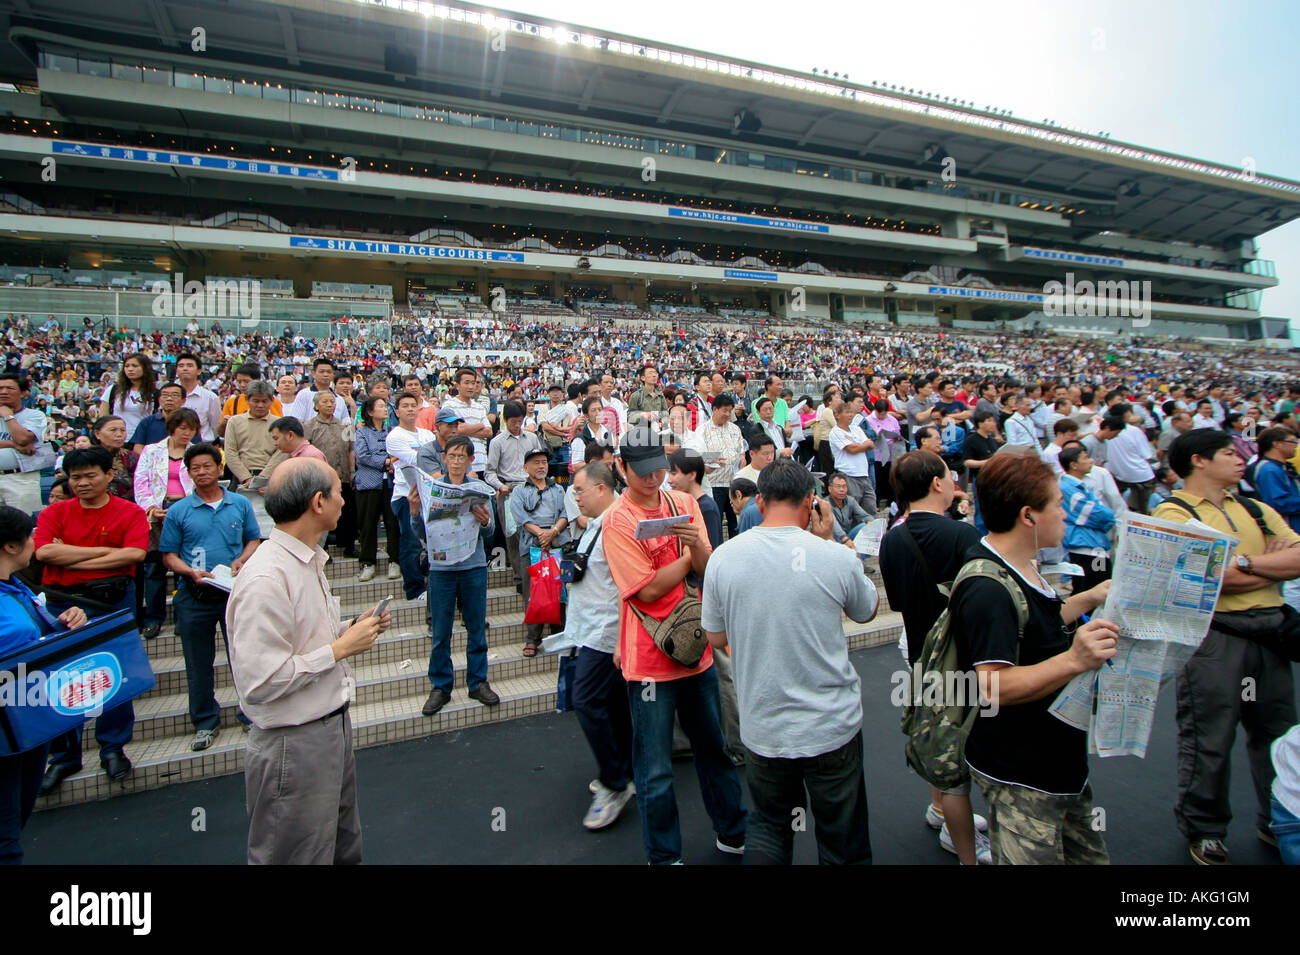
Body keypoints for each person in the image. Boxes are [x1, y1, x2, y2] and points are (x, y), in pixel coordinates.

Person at [703, 460, 878, 864]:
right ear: (812, 503)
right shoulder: (833, 556)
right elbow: (866, 609)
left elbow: (716, 637)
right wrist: (831, 539)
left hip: (764, 725)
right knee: (843, 839)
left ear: (759, 502)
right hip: (831, 724)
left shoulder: (724, 558)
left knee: (769, 828)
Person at [949, 451, 1119, 864]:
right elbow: (991, 685)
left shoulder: (1021, 567)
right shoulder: (987, 587)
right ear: (1029, 515)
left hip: (1057, 767)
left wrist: (1088, 598)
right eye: (1058, 505)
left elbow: (1032, 627)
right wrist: (1074, 660)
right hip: (1022, 775)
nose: (1065, 514)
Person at [226, 457, 391, 864]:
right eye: (339, 490)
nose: (345, 498)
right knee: (297, 853)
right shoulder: (266, 577)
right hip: (293, 744)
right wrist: (339, 649)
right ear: (319, 502)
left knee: (338, 846)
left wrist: (349, 630)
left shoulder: (306, 559)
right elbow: (260, 682)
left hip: (329, 729)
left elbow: (302, 642)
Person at [1153, 428, 1300, 865]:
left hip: (1269, 634)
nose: (1240, 459)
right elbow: (1203, 577)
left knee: (1276, 733)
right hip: (1216, 636)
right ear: (1198, 460)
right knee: (1208, 735)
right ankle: (1205, 827)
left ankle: (1280, 817)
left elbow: (1295, 556)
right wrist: (1272, 568)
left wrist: (1245, 564)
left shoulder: (1253, 508)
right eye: (1227, 453)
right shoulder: (1173, 512)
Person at [603, 424, 747, 865]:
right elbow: (645, 590)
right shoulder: (618, 519)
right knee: (656, 769)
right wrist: (688, 555)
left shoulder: (684, 502)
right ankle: (664, 856)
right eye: (642, 471)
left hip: (695, 650)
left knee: (715, 750)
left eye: (659, 470)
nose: (652, 479)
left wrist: (695, 553)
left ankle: (733, 831)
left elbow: (709, 569)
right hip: (648, 660)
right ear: (621, 467)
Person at [878, 450, 989, 865]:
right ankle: (957, 832)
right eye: (949, 473)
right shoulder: (963, 537)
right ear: (937, 484)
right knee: (963, 744)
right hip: (961, 655)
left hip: (920, 649)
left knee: (936, 731)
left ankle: (940, 807)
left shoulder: (892, 537)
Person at [34, 447, 149, 793]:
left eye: (89, 475)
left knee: (116, 673)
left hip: (113, 600)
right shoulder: (55, 512)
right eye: (75, 477)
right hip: (62, 604)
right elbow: (44, 553)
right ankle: (64, 758)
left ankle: (113, 748)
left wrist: (69, 557)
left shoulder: (129, 512)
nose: (81, 483)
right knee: (60, 679)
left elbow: (135, 554)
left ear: (108, 475)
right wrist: (107, 553)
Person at [0, 505, 90, 864]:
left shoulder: (16, 587)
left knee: (15, 821)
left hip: (30, 725)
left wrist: (64, 623)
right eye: (30, 535)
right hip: (6, 732)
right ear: (11, 545)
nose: (35, 541)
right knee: (5, 843)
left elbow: (35, 634)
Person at [160, 442, 261, 751]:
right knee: (197, 661)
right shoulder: (178, 511)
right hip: (194, 596)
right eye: (195, 468)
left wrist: (243, 559)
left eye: (208, 466)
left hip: (232, 593)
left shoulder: (240, 504)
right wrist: (189, 571)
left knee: (243, 658)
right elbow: (168, 555)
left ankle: (251, 715)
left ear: (220, 469)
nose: (202, 472)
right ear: (188, 474)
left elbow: (254, 539)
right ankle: (205, 722)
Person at [566, 462, 636, 830]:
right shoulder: (600, 522)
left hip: (605, 634)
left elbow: (628, 586)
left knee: (587, 701)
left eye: (579, 490)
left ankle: (614, 783)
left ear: (602, 489)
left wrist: (622, 640)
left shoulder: (616, 526)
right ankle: (623, 770)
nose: (575, 497)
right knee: (612, 704)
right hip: (591, 631)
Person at [413, 435, 499, 716]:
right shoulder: (433, 490)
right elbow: (420, 533)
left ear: (471, 460)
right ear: (444, 458)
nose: (457, 461)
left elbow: (489, 533)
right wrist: (415, 512)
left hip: (473, 566)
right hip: (441, 570)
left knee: (476, 628)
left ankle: (478, 681)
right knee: (441, 631)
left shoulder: (479, 488)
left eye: (463, 456)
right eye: (452, 456)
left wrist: (486, 522)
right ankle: (441, 685)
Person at [134, 408, 200, 639]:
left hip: (187, 511)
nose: (187, 433)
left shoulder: (195, 452)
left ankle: (184, 617)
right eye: (182, 428)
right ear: (172, 427)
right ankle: (153, 618)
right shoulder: (152, 451)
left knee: (185, 567)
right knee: (154, 569)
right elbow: (141, 481)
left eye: (191, 429)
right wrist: (150, 507)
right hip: (157, 513)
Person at [509, 447, 571, 657]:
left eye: (544, 461)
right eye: (536, 462)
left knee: (559, 592)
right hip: (532, 547)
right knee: (533, 594)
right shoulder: (519, 491)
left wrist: (552, 532)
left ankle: (559, 634)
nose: (541, 465)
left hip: (556, 545)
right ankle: (532, 639)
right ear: (526, 468)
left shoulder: (558, 489)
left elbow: (565, 513)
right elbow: (521, 518)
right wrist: (541, 535)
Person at [485, 400, 543, 587]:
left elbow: (539, 462)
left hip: (530, 488)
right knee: (513, 536)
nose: (517, 426)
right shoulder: (497, 442)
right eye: (513, 422)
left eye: (520, 421)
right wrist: (500, 486)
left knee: (534, 532)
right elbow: (489, 472)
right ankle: (520, 579)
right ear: (505, 420)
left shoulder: (532, 439)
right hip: (508, 490)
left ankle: (535, 575)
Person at [386, 394, 435, 601]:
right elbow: (420, 460)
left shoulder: (426, 434)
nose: (409, 409)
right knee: (411, 542)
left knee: (431, 541)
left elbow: (437, 458)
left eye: (413, 406)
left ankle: (423, 575)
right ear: (397, 412)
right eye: (404, 406)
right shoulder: (394, 436)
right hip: (406, 495)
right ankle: (414, 589)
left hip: (429, 496)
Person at [353, 395, 401, 582]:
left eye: (385, 406)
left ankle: (394, 561)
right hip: (368, 484)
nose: (385, 409)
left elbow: (397, 452)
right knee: (368, 524)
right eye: (381, 406)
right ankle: (367, 563)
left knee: (392, 523)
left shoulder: (393, 431)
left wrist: (392, 462)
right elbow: (362, 456)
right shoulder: (362, 432)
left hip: (390, 483)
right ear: (371, 412)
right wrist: (385, 461)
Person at [1253, 426, 1300, 610]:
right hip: (1286, 526)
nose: (1295, 446)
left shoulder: (1280, 467)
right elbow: (1278, 502)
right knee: (1294, 581)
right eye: (1292, 442)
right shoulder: (1269, 469)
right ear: (1277, 444)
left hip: (1293, 523)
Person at [303, 392, 356, 556]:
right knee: (321, 513)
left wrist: (352, 471)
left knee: (348, 513)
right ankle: (321, 550)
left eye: (332, 401)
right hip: (321, 478)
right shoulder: (309, 426)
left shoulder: (343, 425)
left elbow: (351, 450)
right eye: (325, 401)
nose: (329, 404)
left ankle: (348, 546)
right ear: (316, 405)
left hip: (344, 476)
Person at [224, 380, 279, 536]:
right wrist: (246, 478)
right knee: (239, 524)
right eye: (255, 401)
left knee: (270, 527)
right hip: (241, 479)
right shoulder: (235, 422)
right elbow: (230, 452)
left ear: (271, 401)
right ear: (247, 400)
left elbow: (281, 452)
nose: (260, 405)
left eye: (264, 401)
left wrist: (262, 478)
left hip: (270, 479)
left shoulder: (278, 423)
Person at [1058, 445, 1117, 592]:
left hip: (1095, 547)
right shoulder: (1068, 488)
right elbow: (1103, 515)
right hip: (1086, 549)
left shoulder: (1080, 486)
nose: (1091, 461)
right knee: (1092, 592)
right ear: (1074, 465)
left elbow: (1104, 515)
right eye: (1085, 458)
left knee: (1101, 588)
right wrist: (1107, 517)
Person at [694, 391, 745, 537]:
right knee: (715, 523)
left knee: (734, 523)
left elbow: (741, 448)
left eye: (730, 411)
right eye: (725, 410)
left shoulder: (735, 429)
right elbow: (696, 455)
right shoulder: (702, 431)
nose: (728, 414)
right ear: (715, 409)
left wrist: (742, 456)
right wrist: (712, 459)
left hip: (733, 484)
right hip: (714, 485)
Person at [0, 373, 53, 513]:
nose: (4, 392)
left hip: (21, 478)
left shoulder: (35, 415)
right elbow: (18, 443)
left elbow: (23, 439)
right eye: (0, 388)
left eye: (9, 388)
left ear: (23, 393)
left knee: (21, 526)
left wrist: (7, 416)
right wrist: (12, 444)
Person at [1105, 404, 1157, 513]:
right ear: (1126, 415)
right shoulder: (1134, 431)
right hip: (1139, 475)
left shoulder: (1105, 429)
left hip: (1116, 473)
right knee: (1140, 508)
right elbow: (1147, 455)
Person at [442, 367, 493, 473]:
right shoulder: (449, 405)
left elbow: (489, 432)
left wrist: (465, 429)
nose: (471, 387)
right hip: (460, 465)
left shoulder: (479, 407)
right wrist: (479, 425)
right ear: (457, 386)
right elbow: (456, 430)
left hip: (481, 464)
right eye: (467, 383)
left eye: (473, 383)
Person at [667, 448, 722, 550]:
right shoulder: (682, 504)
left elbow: (710, 549)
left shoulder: (706, 508)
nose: (669, 480)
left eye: (673, 474)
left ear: (692, 475)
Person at [99, 352, 157, 440]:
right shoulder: (113, 390)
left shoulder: (155, 393)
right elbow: (103, 417)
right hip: (116, 440)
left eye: (135, 366)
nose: (130, 369)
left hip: (143, 441)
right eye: (127, 366)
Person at [174, 353, 221, 442]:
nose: (185, 368)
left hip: (201, 446)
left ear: (199, 371)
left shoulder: (210, 397)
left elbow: (215, 427)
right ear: (176, 371)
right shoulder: (169, 395)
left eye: (189, 365)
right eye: (181, 366)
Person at [91, 415, 138, 502]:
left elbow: (140, 483)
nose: (119, 435)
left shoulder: (132, 457)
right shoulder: (86, 457)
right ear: (97, 434)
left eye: (123, 430)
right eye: (113, 430)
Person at [129, 381, 186, 453]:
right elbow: (138, 447)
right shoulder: (147, 422)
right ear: (159, 400)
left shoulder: (189, 423)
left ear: (183, 401)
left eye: (174, 395)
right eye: (165, 395)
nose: (169, 399)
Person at [287, 358, 348, 424]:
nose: (325, 375)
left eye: (329, 372)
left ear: (333, 374)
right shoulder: (304, 394)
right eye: (322, 371)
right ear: (313, 374)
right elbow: (296, 421)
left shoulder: (339, 399)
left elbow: (345, 424)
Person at [826, 472, 870, 549]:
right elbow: (834, 524)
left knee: (865, 526)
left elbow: (864, 516)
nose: (842, 490)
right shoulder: (825, 503)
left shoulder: (850, 500)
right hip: (833, 540)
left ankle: (859, 558)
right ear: (830, 489)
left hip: (848, 537)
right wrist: (845, 539)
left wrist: (871, 522)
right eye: (838, 486)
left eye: (844, 486)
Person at [626, 364, 668, 429]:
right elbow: (630, 416)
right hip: (641, 432)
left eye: (655, 373)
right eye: (650, 373)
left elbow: (665, 413)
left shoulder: (660, 396)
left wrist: (663, 422)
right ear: (643, 378)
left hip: (658, 431)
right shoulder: (636, 396)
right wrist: (643, 415)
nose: (654, 375)